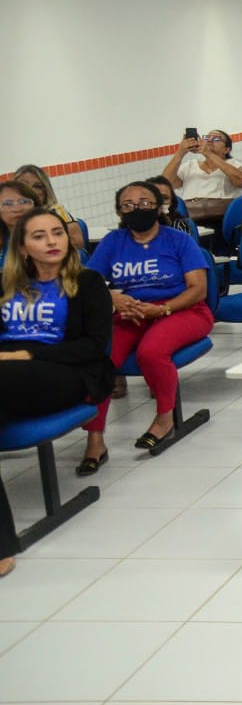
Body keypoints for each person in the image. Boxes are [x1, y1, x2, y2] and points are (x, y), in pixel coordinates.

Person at [0, 208, 115, 577]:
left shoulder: (89, 282)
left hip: (66, 373)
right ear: (22, 245)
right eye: (39, 236)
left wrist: (28, 352)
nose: (51, 241)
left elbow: (94, 347)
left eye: (57, 233)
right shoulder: (4, 284)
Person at [81, 181, 212, 472]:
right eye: (127, 205)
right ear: (119, 211)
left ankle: (165, 419)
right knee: (99, 357)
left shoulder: (178, 240)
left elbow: (198, 289)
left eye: (144, 203)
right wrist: (113, 296)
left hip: (181, 309)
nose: (136, 209)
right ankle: (95, 438)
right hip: (131, 312)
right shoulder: (114, 241)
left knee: (151, 351)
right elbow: (87, 285)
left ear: (158, 207)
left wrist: (162, 309)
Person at [161, 128, 242, 246]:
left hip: (221, 218)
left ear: (226, 149)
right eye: (206, 138)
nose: (210, 141)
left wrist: (208, 153)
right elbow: (166, 183)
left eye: (216, 139)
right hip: (191, 217)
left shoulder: (233, 164)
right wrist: (181, 152)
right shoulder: (190, 166)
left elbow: (241, 181)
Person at [8, 165, 85, 251]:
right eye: (23, 185)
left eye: (37, 186)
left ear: (46, 191)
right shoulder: (9, 214)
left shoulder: (57, 211)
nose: (30, 190)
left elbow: (77, 243)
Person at [0, 180, 45, 264]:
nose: (17, 209)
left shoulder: (51, 235)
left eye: (24, 202)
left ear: (35, 206)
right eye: (8, 203)